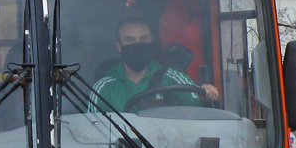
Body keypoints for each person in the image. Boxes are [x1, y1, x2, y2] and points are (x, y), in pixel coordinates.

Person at [91, 16, 219, 111]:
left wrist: (206, 99)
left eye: (143, 39)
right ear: (119, 46)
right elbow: (92, 131)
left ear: (151, 41)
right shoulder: (104, 88)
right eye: (130, 40)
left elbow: (202, 116)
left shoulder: (174, 79)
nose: (138, 45)